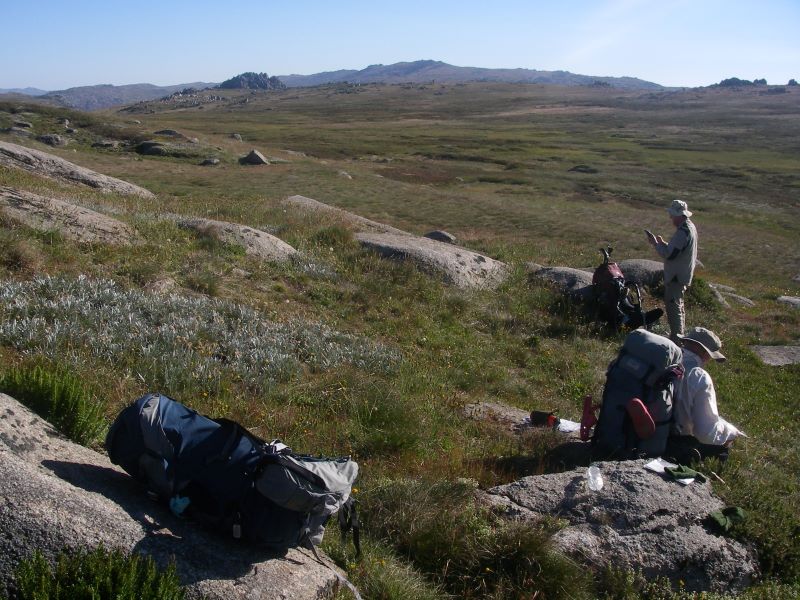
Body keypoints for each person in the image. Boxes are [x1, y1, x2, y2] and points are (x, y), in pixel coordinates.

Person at [666, 327, 744, 464]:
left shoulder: (667, 360)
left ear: (685, 342)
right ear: (704, 352)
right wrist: (729, 433)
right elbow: (705, 433)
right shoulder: (699, 376)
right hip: (674, 441)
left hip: (649, 431)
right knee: (721, 448)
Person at [646, 199, 697, 340]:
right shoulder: (690, 227)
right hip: (683, 273)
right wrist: (664, 243)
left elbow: (669, 254)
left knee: (673, 307)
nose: (671, 217)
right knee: (678, 305)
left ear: (679, 215)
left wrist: (656, 244)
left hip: (676, 275)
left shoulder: (682, 232)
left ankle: (677, 338)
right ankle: (680, 335)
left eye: (672, 215)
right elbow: (677, 250)